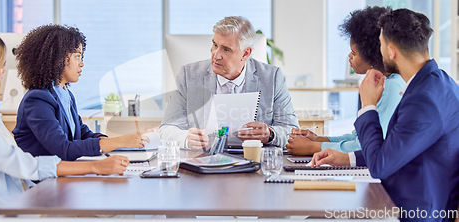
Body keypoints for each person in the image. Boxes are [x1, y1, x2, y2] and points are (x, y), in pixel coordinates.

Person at [0, 29, 130, 222]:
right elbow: (23, 163)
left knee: (121, 211)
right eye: (0, 65)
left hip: (26, 201)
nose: (4, 72)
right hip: (5, 214)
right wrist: (96, 167)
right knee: (123, 215)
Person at [311, 9, 459, 221]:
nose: (378, 51)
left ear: (391, 51)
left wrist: (368, 104)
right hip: (407, 201)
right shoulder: (436, 82)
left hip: (413, 211)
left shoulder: (424, 99)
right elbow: (397, 149)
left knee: (320, 216)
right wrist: (347, 158)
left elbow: (381, 165)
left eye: (380, 43)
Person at [159, 16, 299, 149]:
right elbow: (166, 128)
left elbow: (292, 131)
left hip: (254, 164)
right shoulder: (189, 75)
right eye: (215, 45)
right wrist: (185, 138)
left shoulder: (272, 77)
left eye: (226, 49)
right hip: (203, 163)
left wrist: (270, 134)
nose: (216, 55)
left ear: (245, 54)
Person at [13, 25, 148, 161]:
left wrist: (116, 141)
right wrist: (120, 141)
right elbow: (63, 148)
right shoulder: (38, 100)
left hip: (65, 176)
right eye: (77, 57)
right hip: (45, 180)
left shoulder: (65, 95)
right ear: (57, 58)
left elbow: (81, 133)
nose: (81, 64)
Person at [286, 6, 405, 155]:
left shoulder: (392, 87)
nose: (349, 56)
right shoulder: (384, 83)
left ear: (373, 56)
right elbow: (358, 137)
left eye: (354, 53)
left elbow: (364, 147)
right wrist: (318, 140)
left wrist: (313, 148)